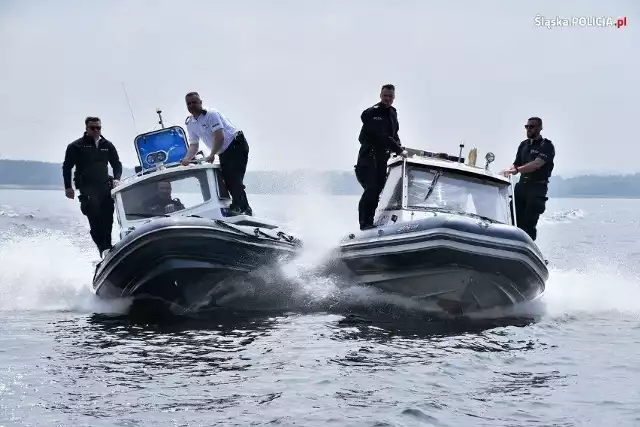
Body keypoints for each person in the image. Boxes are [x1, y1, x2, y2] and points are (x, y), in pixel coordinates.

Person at [180, 92, 252, 216]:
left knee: (233, 177)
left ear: (201, 103)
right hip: (223, 151)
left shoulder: (211, 114)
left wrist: (212, 154)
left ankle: (241, 207)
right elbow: (194, 145)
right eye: (189, 103)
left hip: (236, 145)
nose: (191, 105)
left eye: (194, 102)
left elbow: (220, 136)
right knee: (227, 179)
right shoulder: (190, 123)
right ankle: (244, 208)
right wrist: (187, 158)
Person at [62, 117, 122, 256]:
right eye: (93, 128)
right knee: (95, 221)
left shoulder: (107, 145)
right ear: (86, 129)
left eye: (98, 128)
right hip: (87, 188)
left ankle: (107, 248)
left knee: (107, 219)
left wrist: (117, 179)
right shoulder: (75, 146)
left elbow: (117, 164)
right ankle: (103, 249)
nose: (96, 130)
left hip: (104, 187)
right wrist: (68, 187)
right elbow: (67, 167)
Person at [355, 84, 407, 230]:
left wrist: (400, 147)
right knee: (371, 189)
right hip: (369, 159)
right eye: (385, 96)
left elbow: (393, 135)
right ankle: (364, 223)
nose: (387, 99)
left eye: (390, 96)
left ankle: (370, 221)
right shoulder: (374, 113)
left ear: (394, 98)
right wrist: (398, 149)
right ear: (380, 95)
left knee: (378, 190)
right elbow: (382, 136)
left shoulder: (392, 113)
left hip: (382, 160)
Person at [503, 117, 555, 241]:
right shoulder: (523, 145)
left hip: (537, 188)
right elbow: (516, 164)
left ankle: (527, 247)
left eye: (532, 127)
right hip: (522, 186)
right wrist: (509, 170)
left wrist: (516, 170)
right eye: (527, 126)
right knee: (512, 218)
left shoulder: (547, 146)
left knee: (528, 224)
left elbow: (536, 164)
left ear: (540, 128)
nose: (528, 129)